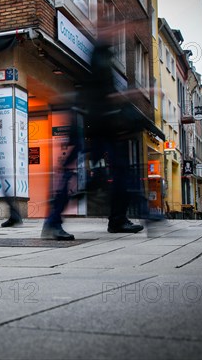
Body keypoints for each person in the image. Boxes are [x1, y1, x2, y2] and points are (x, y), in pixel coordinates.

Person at [41, 40, 146, 240]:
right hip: (94, 125)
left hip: (99, 126)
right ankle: (54, 221)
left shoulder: (104, 57)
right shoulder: (99, 57)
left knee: (112, 173)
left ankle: (116, 218)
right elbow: (99, 95)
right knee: (84, 175)